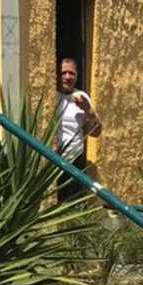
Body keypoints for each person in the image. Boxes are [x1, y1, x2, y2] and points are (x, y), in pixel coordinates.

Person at [54, 58, 102, 203]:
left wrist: (87, 110)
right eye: (63, 73)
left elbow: (96, 132)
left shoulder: (81, 97)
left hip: (76, 161)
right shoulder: (52, 96)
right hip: (55, 160)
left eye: (72, 73)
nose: (68, 77)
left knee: (74, 203)